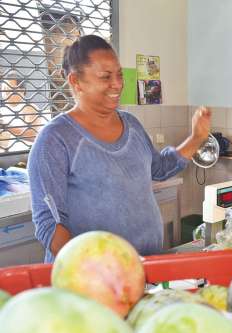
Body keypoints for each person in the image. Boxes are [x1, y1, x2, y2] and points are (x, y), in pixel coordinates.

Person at [28, 35, 211, 263]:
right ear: (75, 81)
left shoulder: (131, 124)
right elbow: (49, 223)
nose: (117, 84)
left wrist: (196, 138)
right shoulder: (55, 139)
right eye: (105, 77)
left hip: (144, 267)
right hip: (91, 279)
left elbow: (159, 168)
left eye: (119, 75)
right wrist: (94, 270)